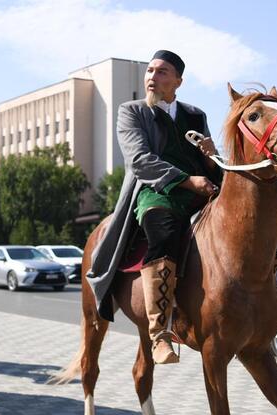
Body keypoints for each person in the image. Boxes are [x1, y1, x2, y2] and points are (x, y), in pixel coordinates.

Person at [86, 50, 222, 364]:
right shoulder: (131, 111)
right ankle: (160, 334)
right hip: (155, 193)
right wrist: (188, 181)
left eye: (161, 72)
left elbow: (211, 168)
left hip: (200, 191)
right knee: (165, 232)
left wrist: (209, 155)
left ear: (178, 81)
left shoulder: (196, 115)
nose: (152, 77)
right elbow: (140, 161)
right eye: (149, 71)